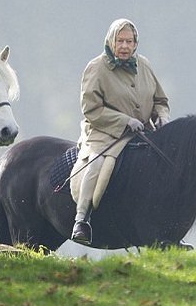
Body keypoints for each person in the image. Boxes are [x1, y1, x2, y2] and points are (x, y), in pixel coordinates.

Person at [70, 18, 170, 245]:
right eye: (120, 41)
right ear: (111, 41)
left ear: (136, 44)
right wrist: (124, 120)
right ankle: (81, 220)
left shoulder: (144, 64)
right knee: (96, 164)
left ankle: (168, 228)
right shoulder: (96, 67)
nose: (124, 46)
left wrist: (162, 116)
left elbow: (160, 100)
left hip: (143, 132)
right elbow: (90, 109)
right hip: (104, 132)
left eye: (129, 41)